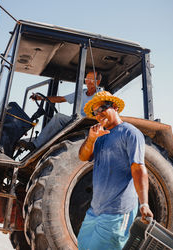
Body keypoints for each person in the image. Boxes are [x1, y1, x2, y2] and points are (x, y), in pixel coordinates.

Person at [77, 91, 153, 250]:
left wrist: (144, 203)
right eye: (95, 112)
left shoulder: (130, 133)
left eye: (102, 109)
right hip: (95, 211)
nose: (98, 114)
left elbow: (138, 168)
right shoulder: (100, 136)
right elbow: (83, 157)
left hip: (117, 211)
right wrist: (91, 139)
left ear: (115, 107)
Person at [20, 72, 102, 151]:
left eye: (91, 79)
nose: (88, 81)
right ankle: (37, 143)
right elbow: (61, 99)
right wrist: (41, 98)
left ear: (98, 82)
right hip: (76, 121)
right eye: (87, 79)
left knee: (59, 118)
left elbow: (103, 113)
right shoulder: (82, 92)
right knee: (57, 122)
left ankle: (35, 145)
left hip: (86, 123)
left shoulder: (101, 95)